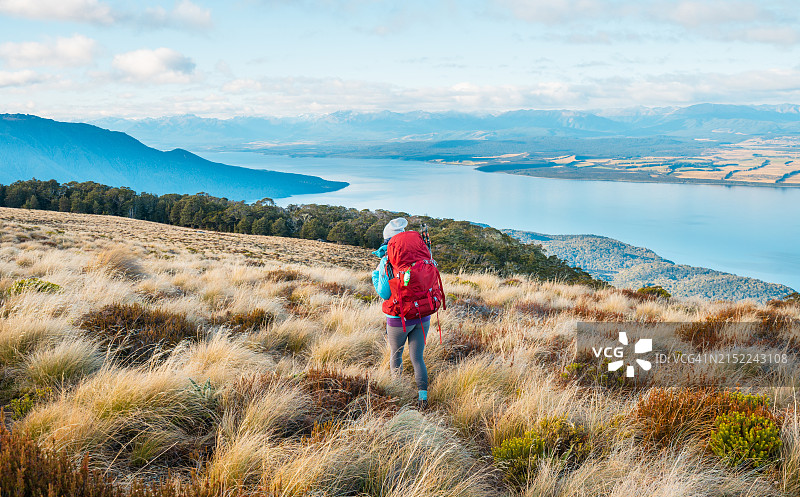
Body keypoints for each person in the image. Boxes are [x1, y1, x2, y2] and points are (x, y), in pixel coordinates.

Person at [372, 217, 430, 410]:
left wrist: (374, 277)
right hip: (422, 314)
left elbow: (384, 293)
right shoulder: (424, 254)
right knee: (417, 358)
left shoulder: (387, 260)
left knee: (396, 356)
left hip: (399, 317)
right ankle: (423, 398)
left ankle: (397, 393)